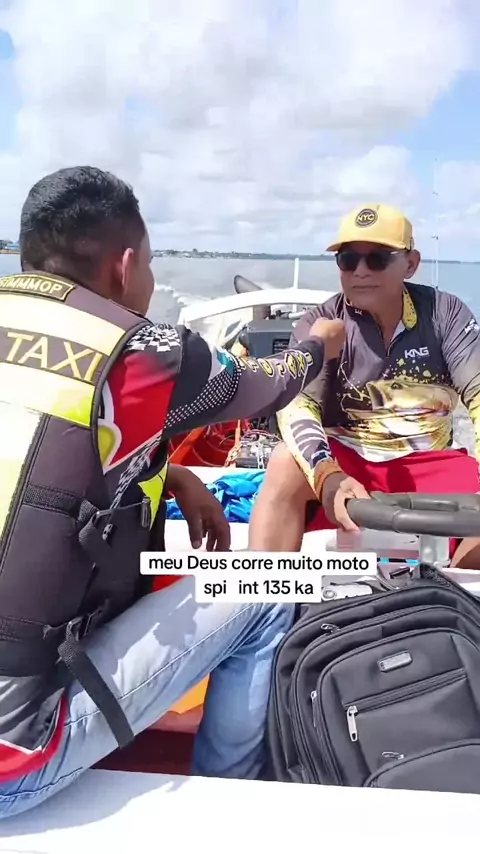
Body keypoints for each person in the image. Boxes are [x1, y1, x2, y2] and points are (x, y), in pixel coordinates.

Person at [0, 165, 344, 818]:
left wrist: (174, 472)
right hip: (13, 760)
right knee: (267, 589)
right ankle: (226, 806)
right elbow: (268, 384)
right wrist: (316, 342)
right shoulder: (144, 349)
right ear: (126, 265)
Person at [249, 202, 480, 570]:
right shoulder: (321, 321)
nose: (360, 271)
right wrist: (326, 474)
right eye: (348, 259)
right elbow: (297, 406)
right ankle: (264, 594)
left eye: (377, 259)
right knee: (283, 463)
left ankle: (451, 590)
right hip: (347, 458)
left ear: (411, 263)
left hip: (429, 462)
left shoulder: (445, 314)